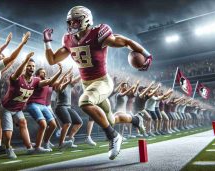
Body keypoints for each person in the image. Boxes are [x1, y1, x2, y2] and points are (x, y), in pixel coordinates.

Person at [43, 6, 152, 160]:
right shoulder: (68, 39)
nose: (72, 25)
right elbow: (52, 59)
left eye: (76, 21)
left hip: (102, 82)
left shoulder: (98, 34)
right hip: (87, 84)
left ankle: (113, 136)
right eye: (70, 22)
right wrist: (47, 42)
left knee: (85, 102)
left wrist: (146, 55)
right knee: (111, 120)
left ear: (86, 20)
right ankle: (136, 119)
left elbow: (125, 41)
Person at [1, 53, 62, 159]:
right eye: (29, 65)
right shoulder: (16, 78)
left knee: (23, 123)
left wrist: (59, 72)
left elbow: (50, 81)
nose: (31, 68)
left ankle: (29, 148)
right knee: (8, 132)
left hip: (18, 109)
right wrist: (25, 61)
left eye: (33, 66)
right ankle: (8, 148)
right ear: (24, 67)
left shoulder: (35, 80)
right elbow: (16, 73)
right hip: (7, 108)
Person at [26, 65, 63, 152]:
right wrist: (59, 72)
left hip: (43, 105)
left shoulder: (46, 82)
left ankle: (45, 142)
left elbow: (56, 83)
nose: (45, 73)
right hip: (33, 104)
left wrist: (63, 75)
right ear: (38, 73)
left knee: (53, 125)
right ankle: (37, 147)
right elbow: (50, 81)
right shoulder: (36, 79)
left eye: (45, 72)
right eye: (43, 72)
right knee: (43, 124)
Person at [55, 71, 83, 149]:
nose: (66, 78)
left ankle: (70, 139)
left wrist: (84, 71)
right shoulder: (59, 86)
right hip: (60, 107)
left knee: (79, 122)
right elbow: (61, 88)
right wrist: (67, 81)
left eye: (67, 77)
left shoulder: (70, 85)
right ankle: (61, 144)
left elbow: (77, 79)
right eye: (65, 77)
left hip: (68, 107)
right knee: (67, 123)